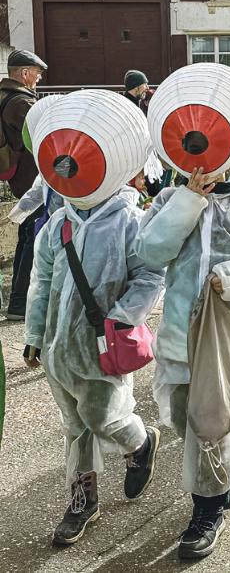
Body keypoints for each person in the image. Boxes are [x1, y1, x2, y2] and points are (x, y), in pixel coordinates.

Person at [24, 91, 165, 547]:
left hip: (101, 346)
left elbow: (149, 275)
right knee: (75, 426)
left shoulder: (130, 221)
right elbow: (41, 282)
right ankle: (82, 499)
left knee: (106, 418)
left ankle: (140, 442)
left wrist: (123, 320)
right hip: (59, 350)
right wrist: (33, 335)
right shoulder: (58, 223)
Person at [135, 165, 230, 560]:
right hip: (177, 334)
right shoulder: (171, 199)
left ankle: (208, 509)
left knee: (212, 424)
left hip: (227, 335)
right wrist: (190, 199)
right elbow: (150, 251)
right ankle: (224, 474)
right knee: (180, 417)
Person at [0, 49, 47, 320]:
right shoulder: (19, 102)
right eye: (37, 74)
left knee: (27, 236)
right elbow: (43, 132)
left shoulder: (7, 96)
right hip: (30, 179)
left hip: (20, 178)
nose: (39, 79)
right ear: (25, 73)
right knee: (33, 237)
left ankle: (19, 301)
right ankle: (19, 303)